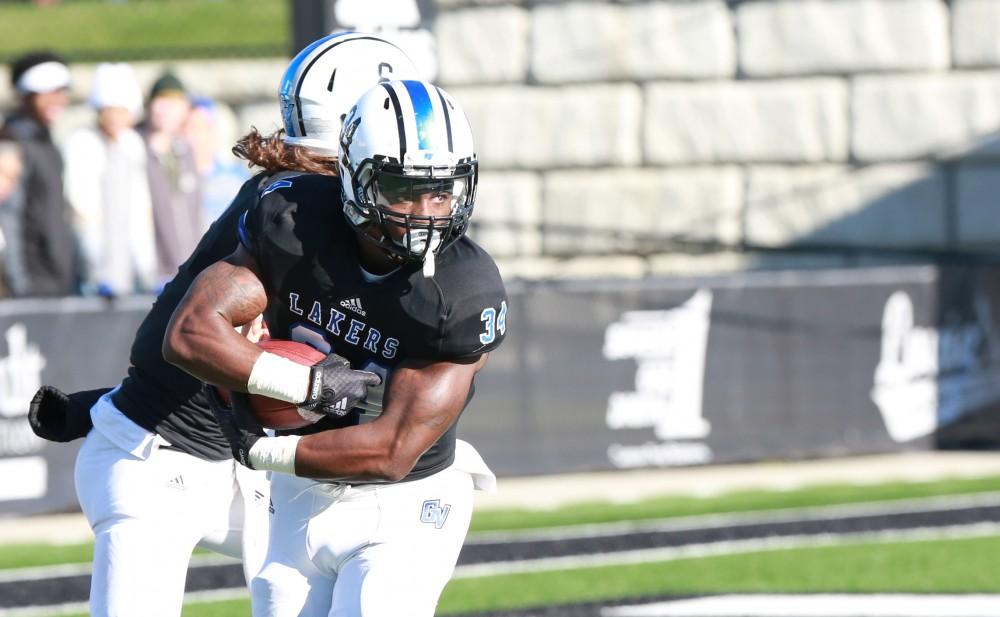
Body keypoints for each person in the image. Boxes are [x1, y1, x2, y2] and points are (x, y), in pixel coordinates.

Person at [27, 33, 421, 617]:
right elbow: (182, 337)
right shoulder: (294, 210)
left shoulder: (321, 202)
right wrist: (310, 388)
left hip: (240, 462)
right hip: (155, 460)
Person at [166, 79, 507, 617]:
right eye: (400, 187)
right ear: (354, 176)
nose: (425, 211)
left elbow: (392, 451)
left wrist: (260, 450)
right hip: (298, 496)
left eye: (441, 190)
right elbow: (189, 333)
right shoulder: (294, 221)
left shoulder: (463, 290)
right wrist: (306, 385)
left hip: (405, 504)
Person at [63, 62, 157, 297]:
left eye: (122, 110)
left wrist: (146, 266)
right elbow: (81, 207)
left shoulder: (132, 144)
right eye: (110, 109)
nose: (116, 117)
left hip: (129, 263)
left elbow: (140, 207)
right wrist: (94, 265)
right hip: (94, 265)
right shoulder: (81, 143)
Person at [2, 51, 80, 296]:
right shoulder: (14, 145)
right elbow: (9, 219)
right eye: (49, 92)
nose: (58, 100)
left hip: (57, 279)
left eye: (61, 91)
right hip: (31, 285)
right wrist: (20, 286)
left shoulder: (47, 144)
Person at [140, 71, 203, 286]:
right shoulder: (137, 149)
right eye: (161, 101)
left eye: (174, 102)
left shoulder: (185, 151)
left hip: (188, 270)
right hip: (153, 274)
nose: (166, 109)